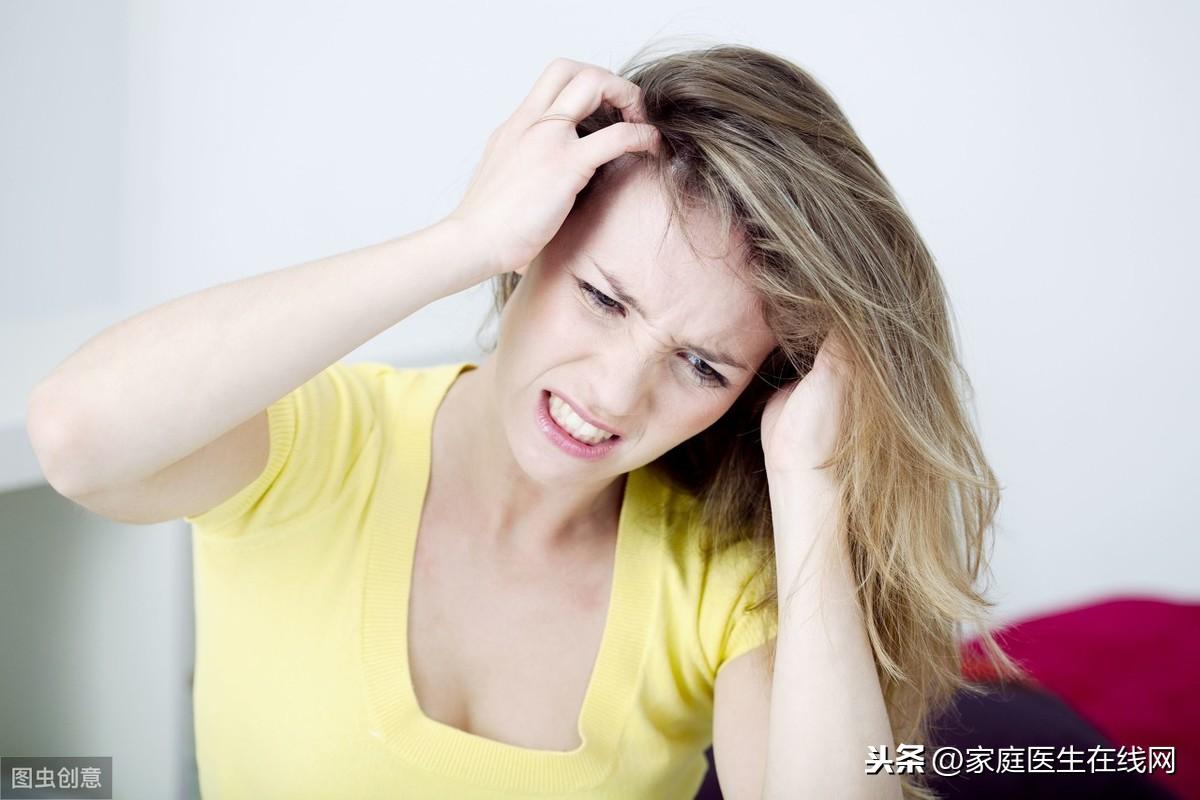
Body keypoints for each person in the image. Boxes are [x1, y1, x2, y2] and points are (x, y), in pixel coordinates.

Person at [26, 44, 1019, 799]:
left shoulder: (719, 581)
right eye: (603, 298)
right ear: (534, 239)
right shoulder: (323, 443)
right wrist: (462, 237)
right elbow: (75, 436)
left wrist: (812, 476)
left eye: (703, 364)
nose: (617, 393)